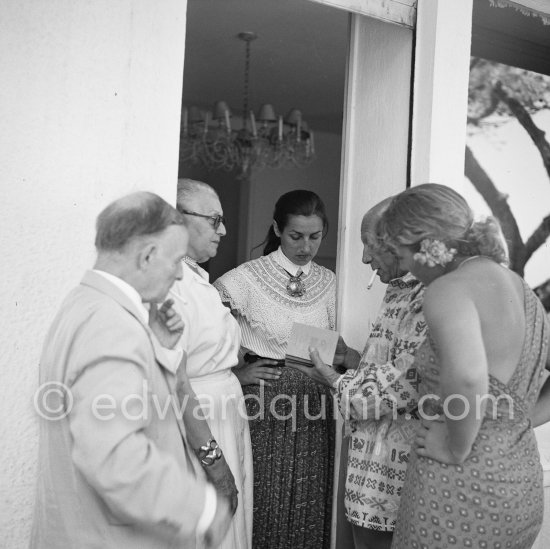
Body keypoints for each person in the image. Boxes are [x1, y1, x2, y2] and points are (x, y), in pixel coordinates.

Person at [30, 192, 231, 549]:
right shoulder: (114, 326)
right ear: (148, 256)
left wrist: (163, 354)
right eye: (176, 260)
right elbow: (114, 455)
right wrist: (201, 510)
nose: (181, 272)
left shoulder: (84, 303)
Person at [376, 183, 549, 549]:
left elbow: (469, 377)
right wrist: (508, 425)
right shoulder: (521, 288)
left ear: (423, 243)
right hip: (519, 484)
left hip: (460, 486)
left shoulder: (449, 289)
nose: (403, 267)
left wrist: (455, 446)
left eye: (400, 254)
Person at [292, 197, 427, 549]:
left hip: (394, 469)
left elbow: (403, 387)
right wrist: (351, 357)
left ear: (395, 242)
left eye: (369, 246)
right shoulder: (397, 288)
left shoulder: (429, 297)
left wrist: (333, 379)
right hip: (368, 458)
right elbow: (392, 367)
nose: (365, 259)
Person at [213, 189, 339, 549]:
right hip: (266, 401)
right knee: (266, 497)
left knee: (309, 498)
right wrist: (235, 374)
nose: (306, 246)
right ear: (277, 229)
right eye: (295, 236)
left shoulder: (329, 281)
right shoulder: (246, 278)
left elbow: (332, 344)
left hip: (316, 404)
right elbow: (202, 332)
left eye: (315, 237)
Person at [169, 179, 253, 549]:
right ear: (178, 218)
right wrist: (214, 462)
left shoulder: (197, 277)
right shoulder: (170, 284)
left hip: (224, 409)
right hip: (201, 420)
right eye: (214, 219)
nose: (223, 230)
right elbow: (176, 378)